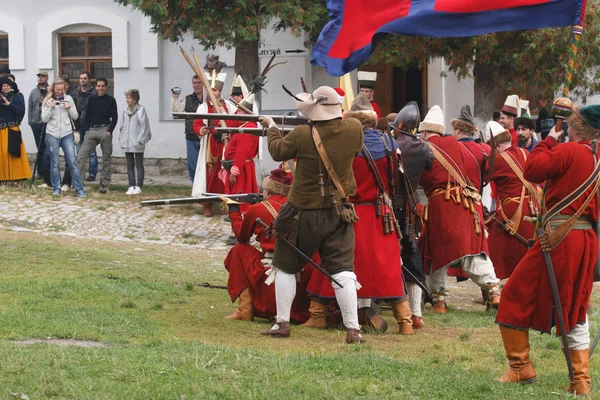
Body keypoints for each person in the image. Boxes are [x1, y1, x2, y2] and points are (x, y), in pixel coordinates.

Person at [495, 105, 600, 396]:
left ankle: (520, 367)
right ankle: (580, 380)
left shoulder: (572, 151)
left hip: (561, 239)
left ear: (576, 128)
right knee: (576, 306)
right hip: (586, 239)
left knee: (514, 293)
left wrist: (551, 138)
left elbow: (532, 168)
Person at [259, 86, 364, 343]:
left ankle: (282, 323)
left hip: (300, 214)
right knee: (342, 271)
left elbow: (276, 152)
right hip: (339, 212)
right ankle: (353, 329)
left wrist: (271, 126)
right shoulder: (354, 129)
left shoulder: (300, 134)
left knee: (284, 265)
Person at [306, 94, 412, 335]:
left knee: (332, 261)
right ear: (373, 122)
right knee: (388, 267)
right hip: (380, 214)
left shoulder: (346, 144)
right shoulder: (390, 144)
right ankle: (405, 321)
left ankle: (318, 316)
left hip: (349, 214)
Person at [418, 105, 501, 313]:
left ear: (426, 132)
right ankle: (493, 291)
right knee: (472, 251)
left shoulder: (423, 148)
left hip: (443, 204)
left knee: (439, 252)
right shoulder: (455, 144)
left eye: (422, 133)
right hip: (469, 203)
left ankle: (438, 301)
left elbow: (420, 178)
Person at [221, 169, 311, 322]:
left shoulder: (258, 209)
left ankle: (245, 309)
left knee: (238, 250)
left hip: (271, 274)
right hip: (301, 279)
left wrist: (234, 211)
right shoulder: (303, 207)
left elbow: (242, 237)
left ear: (268, 190)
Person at [389, 101, 433, 329]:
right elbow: (430, 166)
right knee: (411, 257)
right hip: (410, 210)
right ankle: (415, 314)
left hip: (388, 208)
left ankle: (366, 307)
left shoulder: (390, 144)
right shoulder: (424, 147)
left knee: (380, 254)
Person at [485, 121, 540, 280]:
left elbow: (481, 176)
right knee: (523, 249)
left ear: (498, 146)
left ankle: (492, 288)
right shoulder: (525, 152)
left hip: (514, 209)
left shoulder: (499, 160)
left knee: (494, 246)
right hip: (534, 207)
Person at [192, 71, 236, 216]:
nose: (212, 92)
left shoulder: (228, 106)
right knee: (209, 174)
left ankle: (227, 202)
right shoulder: (203, 107)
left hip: (225, 142)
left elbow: (236, 120)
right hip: (210, 144)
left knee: (225, 173)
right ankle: (208, 204)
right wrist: (202, 130)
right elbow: (197, 124)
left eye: (215, 90)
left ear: (220, 91)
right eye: (210, 89)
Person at [40, 80, 86, 198]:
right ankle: (56, 188)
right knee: (54, 163)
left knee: (72, 161)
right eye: (57, 89)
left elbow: (76, 116)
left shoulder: (69, 98)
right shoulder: (48, 100)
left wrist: (69, 108)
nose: (60, 92)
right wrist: (50, 108)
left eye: (62, 89)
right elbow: (44, 119)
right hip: (52, 134)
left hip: (66, 133)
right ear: (53, 89)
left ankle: (79, 189)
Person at [77, 78, 118, 194]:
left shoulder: (111, 100)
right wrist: (86, 129)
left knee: (106, 158)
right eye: (98, 86)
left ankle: (104, 184)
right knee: (81, 156)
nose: (100, 88)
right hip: (92, 130)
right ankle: (78, 184)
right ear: (95, 87)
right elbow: (87, 115)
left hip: (105, 129)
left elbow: (114, 118)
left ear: (106, 87)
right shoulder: (92, 99)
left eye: (102, 86)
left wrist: (110, 130)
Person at [221, 94, 259, 211]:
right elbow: (232, 124)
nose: (238, 113)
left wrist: (235, 170)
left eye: (241, 111)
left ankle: (240, 212)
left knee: (240, 193)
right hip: (242, 166)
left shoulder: (248, 128)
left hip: (241, 168)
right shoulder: (247, 125)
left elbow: (241, 152)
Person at [119, 89, 152, 195]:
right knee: (129, 165)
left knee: (139, 164)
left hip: (137, 142)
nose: (127, 100)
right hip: (127, 142)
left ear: (135, 99)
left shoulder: (141, 110)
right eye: (127, 98)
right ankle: (131, 185)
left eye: (129, 98)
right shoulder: (125, 110)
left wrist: (140, 139)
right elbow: (122, 126)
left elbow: (144, 126)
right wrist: (122, 138)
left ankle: (139, 186)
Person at [172, 75, 203, 183]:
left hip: (206, 135)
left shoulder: (208, 99)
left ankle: (205, 185)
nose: (196, 85)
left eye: (199, 82)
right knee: (192, 164)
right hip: (192, 136)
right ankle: (195, 185)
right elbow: (177, 111)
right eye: (194, 83)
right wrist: (175, 98)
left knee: (205, 163)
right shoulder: (188, 98)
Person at [0, 76, 30, 184]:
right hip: (1, 129)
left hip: (12, 128)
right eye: (3, 86)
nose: (5, 88)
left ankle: (16, 177)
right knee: (1, 154)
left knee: (13, 153)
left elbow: (20, 111)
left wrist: (9, 104)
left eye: (7, 85)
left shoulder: (17, 96)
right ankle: (2, 177)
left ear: (11, 86)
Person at [74, 72, 98, 182]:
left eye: (85, 78)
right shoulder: (76, 93)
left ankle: (92, 173)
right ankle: (80, 173)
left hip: (90, 125)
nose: (82, 80)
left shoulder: (94, 93)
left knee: (91, 151)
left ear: (89, 80)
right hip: (78, 125)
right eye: (81, 78)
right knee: (79, 151)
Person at [28, 71, 49, 177]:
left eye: (42, 77)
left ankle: (47, 171)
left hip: (47, 123)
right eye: (39, 77)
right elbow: (30, 106)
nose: (40, 78)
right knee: (40, 147)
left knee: (47, 147)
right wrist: (30, 121)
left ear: (47, 78)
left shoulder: (50, 91)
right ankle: (40, 171)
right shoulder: (33, 92)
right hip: (36, 123)